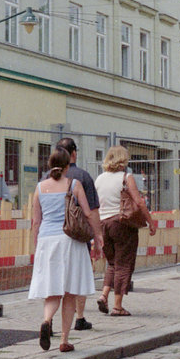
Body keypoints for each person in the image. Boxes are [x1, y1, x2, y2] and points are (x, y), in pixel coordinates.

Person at [29, 147, 100, 352]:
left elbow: (36, 221)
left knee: (52, 290)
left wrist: (36, 245)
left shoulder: (40, 188)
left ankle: (46, 320)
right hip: (70, 241)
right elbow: (87, 213)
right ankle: (64, 341)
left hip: (47, 241)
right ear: (68, 165)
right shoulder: (74, 184)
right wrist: (97, 236)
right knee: (69, 292)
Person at [95, 145, 156, 317]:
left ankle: (103, 295)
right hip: (121, 224)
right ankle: (118, 306)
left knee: (112, 263)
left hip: (103, 224)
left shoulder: (99, 179)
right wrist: (150, 222)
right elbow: (139, 202)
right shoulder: (125, 177)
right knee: (123, 264)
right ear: (123, 159)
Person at [55, 137, 102, 328]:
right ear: (74, 153)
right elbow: (92, 211)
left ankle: (50, 318)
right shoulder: (83, 177)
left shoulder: (46, 178)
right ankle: (79, 317)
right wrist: (98, 237)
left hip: (53, 235)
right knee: (79, 275)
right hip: (77, 233)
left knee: (58, 276)